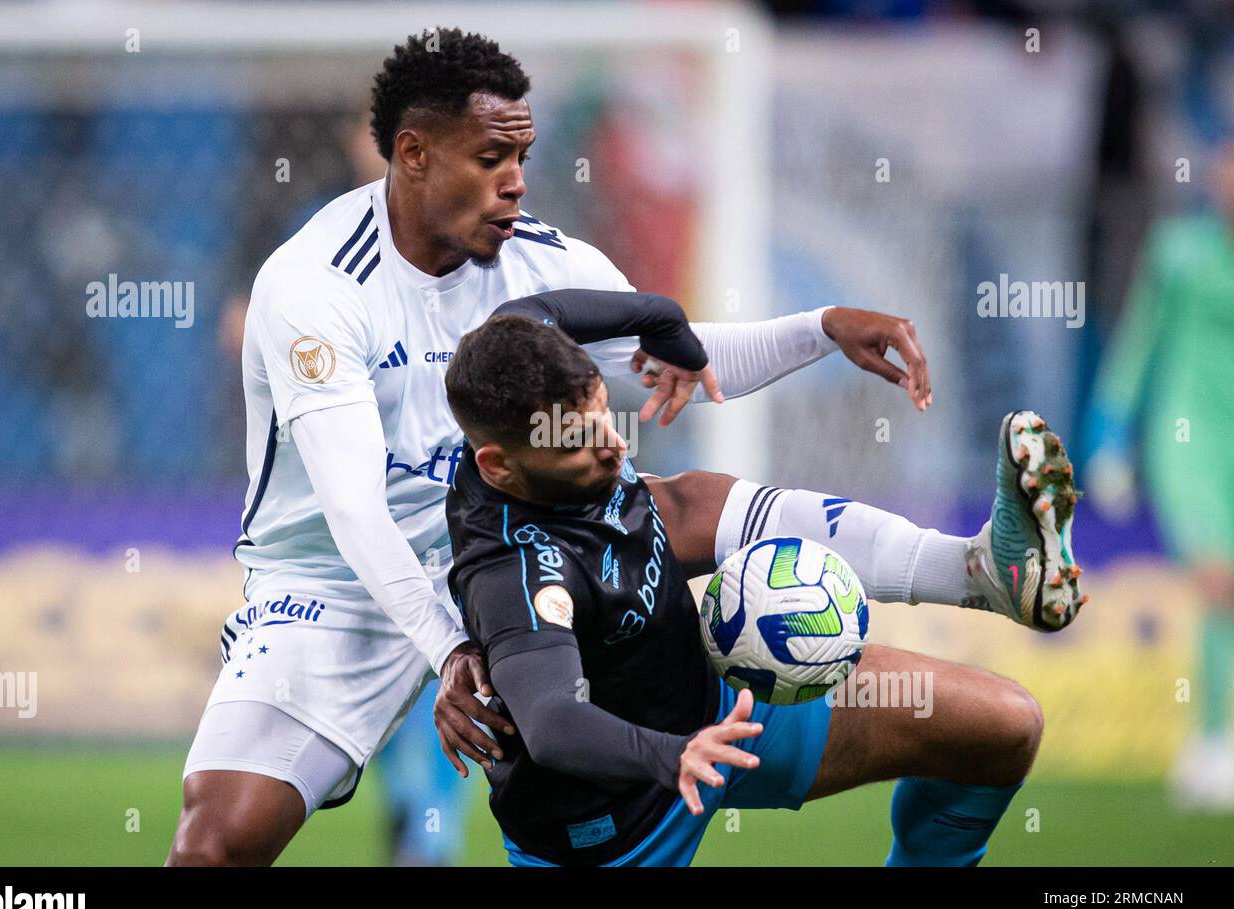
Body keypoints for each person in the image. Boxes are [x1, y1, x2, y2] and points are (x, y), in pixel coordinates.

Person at [167, 27, 1083, 866]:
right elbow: (356, 509)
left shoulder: (532, 260)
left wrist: (820, 328)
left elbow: (669, 359)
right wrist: (454, 649)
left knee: (681, 503)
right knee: (218, 846)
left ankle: (976, 572)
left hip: (540, 551)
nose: (518, 182)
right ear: (413, 154)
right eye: (492, 158)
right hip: (339, 590)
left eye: (522, 156)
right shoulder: (315, 290)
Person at [445, 312, 1057, 866]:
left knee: (1002, 726)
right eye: (580, 439)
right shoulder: (514, 573)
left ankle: (972, 571)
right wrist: (673, 755)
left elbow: (568, 309)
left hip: (726, 707)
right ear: (498, 466)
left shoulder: (533, 375)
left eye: (605, 413)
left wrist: (818, 325)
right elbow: (552, 721)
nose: (615, 444)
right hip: (613, 830)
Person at [1087, 137, 1234, 809]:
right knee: (1216, 577)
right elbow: (1139, 340)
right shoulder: (1179, 252)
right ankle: (1210, 743)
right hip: (1190, 437)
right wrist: (1110, 435)